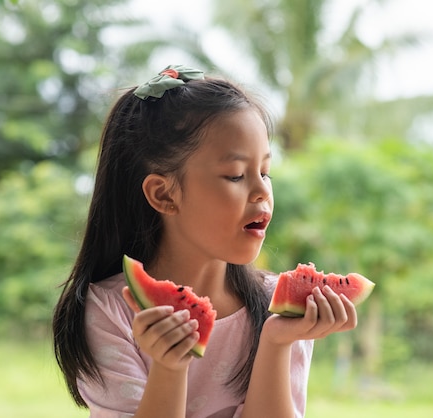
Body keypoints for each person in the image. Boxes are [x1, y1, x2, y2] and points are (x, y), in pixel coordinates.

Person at [52, 64, 358, 418]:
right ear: (164, 194)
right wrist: (169, 366)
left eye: (264, 172)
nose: (262, 191)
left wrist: (276, 341)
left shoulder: (278, 309)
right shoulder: (111, 310)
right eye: (235, 175)